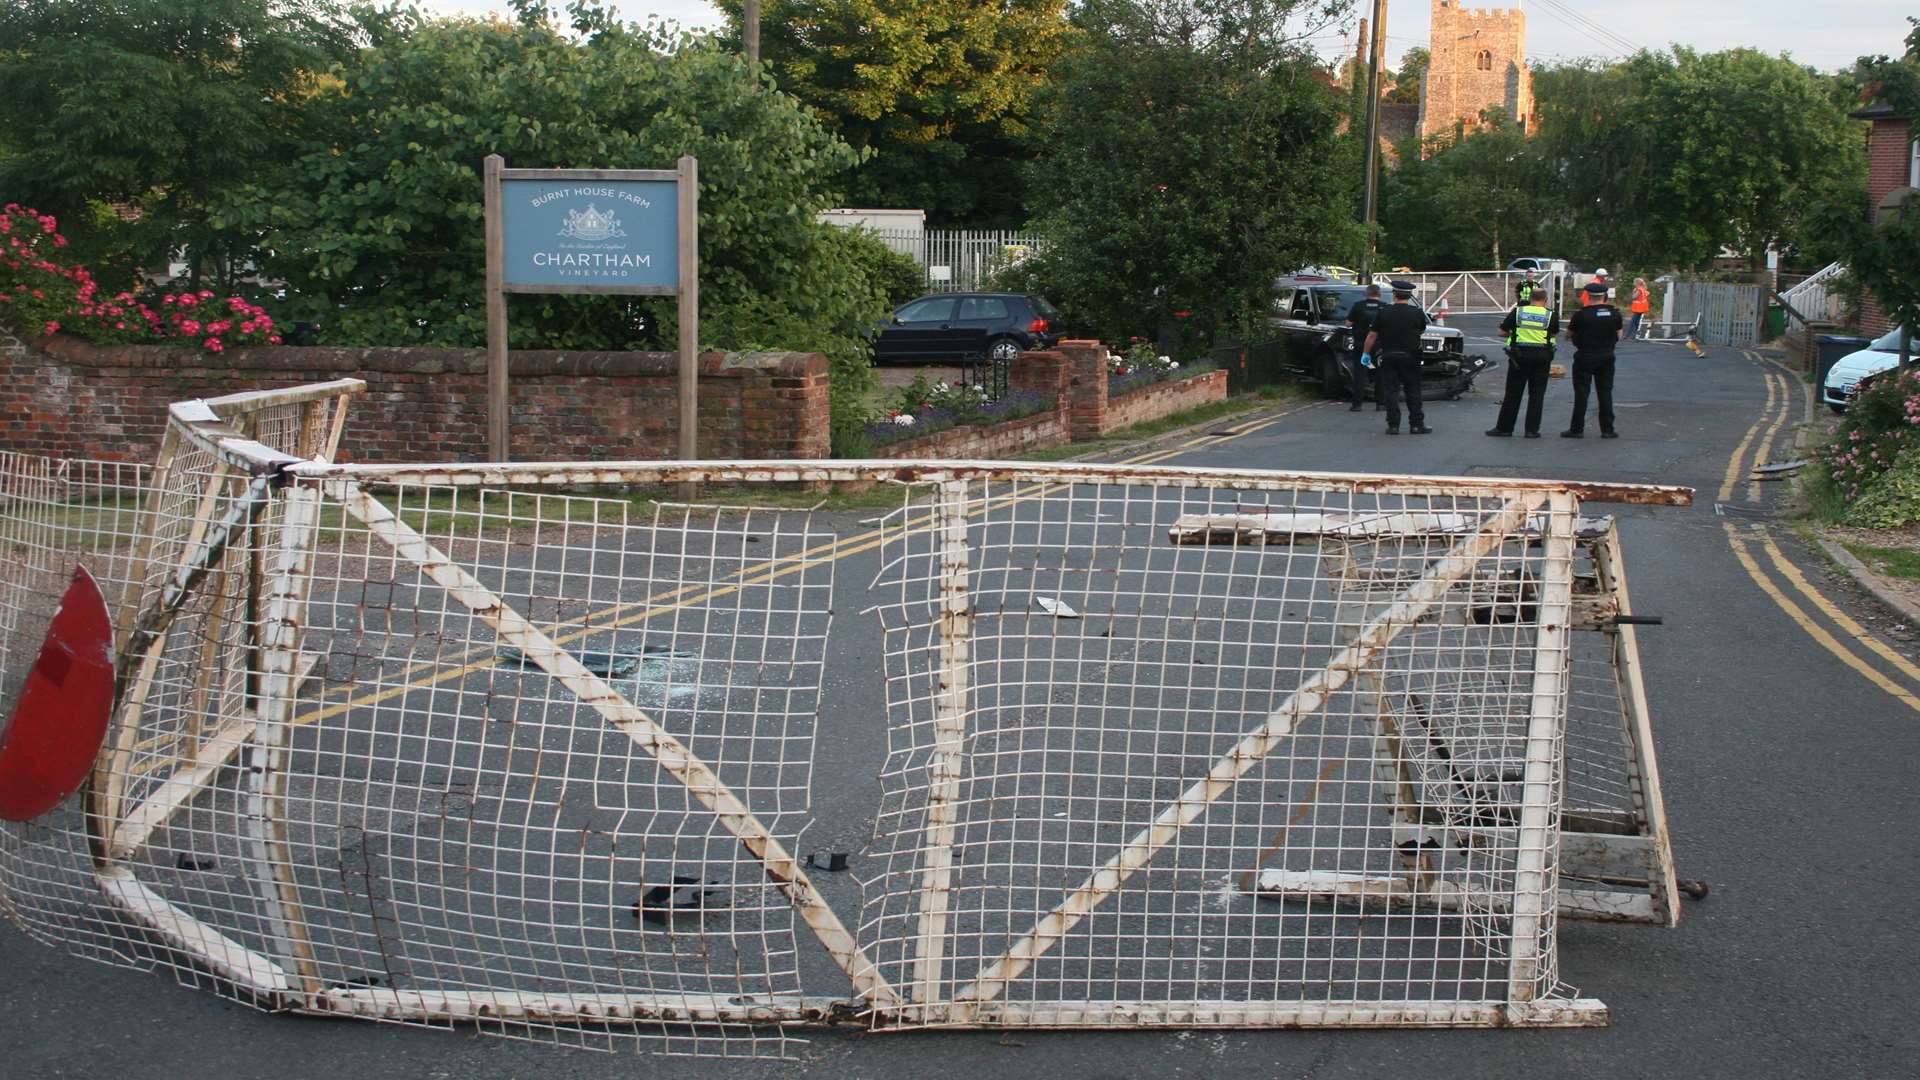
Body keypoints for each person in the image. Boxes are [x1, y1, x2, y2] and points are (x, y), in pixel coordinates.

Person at [1487, 281, 1560, 438]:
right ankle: (1531, 430)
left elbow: (1501, 332)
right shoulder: (1550, 314)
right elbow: (1553, 334)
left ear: (1531, 298)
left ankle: (1505, 428)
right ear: (1545, 300)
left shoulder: (1518, 312)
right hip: (1542, 357)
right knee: (1537, 394)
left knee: (1513, 393)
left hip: (1519, 357)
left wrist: (1516, 333)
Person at [1362, 280, 1432, 435]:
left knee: (1391, 391)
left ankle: (1393, 425)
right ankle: (1416, 425)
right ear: (1410, 295)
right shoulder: (1416, 312)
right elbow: (1421, 330)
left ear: (1394, 295)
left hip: (1388, 355)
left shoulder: (1383, 312)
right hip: (1411, 356)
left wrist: (1366, 353)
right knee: (1413, 390)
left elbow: (1372, 335)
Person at [1563, 281, 1625, 439]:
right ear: (1604, 296)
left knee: (1582, 393)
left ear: (1588, 296)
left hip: (1585, 356)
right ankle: (1607, 429)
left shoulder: (1581, 315)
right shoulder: (1614, 314)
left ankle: (1576, 429)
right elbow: (1619, 335)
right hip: (1606, 356)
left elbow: (1568, 335)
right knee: (1605, 392)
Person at [1344, 284, 1384, 412]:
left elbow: (1348, 323)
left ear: (1367, 294)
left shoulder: (1358, 305)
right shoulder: (1384, 307)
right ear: (1379, 294)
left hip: (1361, 345)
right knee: (1380, 374)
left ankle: (1357, 404)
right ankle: (1380, 404)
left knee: (1360, 374)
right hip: (1379, 346)